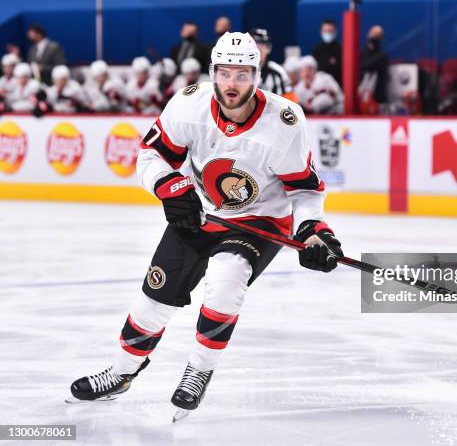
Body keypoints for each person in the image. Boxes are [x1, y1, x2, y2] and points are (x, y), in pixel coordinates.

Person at [68, 32, 343, 416]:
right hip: (202, 212)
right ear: (213, 72)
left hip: (259, 220)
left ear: (257, 76)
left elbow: (305, 190)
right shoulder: (188, 105)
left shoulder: (284, 121)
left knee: (226, 279)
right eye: (225, 73)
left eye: (243, 74)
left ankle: (199, 369)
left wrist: (314, 230)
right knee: (153, 301)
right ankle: (122, 371)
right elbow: (150, 156)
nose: (233, 84)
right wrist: (170, 188)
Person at [249, 28, 298, 102]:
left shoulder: (278, 72)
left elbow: (292, 102)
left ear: (269, 48)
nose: (258, 50)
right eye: (255, 46)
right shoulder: (237, 70)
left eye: (263, 46)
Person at [359, 25, 389, 112]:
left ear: (381, 38)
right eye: (373, 33)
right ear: (368, 34)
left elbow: (365, 66)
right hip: (360, 98)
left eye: (378, 34)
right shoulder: (361, 54)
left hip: (378, 100)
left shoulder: (382, 56)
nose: (374, 36)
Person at [312, 19, 342, 86]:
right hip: (319, 86)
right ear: (321, 32)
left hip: (337, 87)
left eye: (331, 31)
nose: (328, 33)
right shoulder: (317, 50)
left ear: (336, 32)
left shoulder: (341, 49)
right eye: (326, 31)